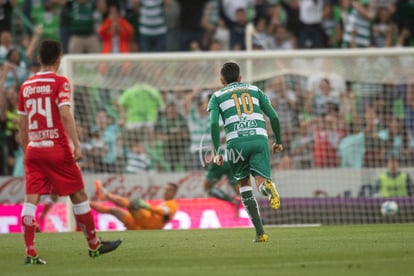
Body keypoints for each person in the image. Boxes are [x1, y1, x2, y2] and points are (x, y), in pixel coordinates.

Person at [17, 39, 121, 265]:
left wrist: (28, 150)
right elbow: (65, 113)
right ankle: (94, 245)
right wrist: (76, 143)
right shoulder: (60, 82)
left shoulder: (25, 86)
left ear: (39, 58)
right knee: (78, 196)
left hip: (33, 149)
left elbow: (22, 125)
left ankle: (30, 252)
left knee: (30, 200)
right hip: (56, 147)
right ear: (59, 58)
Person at [207, 62, 283, 242]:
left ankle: (260, 233)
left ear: (222, 80)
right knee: (261, 180)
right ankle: (267, 188)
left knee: (244, 185)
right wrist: (278, 141)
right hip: (259, 138)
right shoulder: (255, 90)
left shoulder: (217, 96)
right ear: (240, 78)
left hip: (236, 142)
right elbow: (274, 116)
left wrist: (217, 150)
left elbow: (212, 124)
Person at [91, 181, 179, 230]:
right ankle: (88, 204)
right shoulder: (164, 202)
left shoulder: (172, 204)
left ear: (174, 193)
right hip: (140, 225)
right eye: (165, 189)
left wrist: (147, 207)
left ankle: (106, 195)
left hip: (149, 223)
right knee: (114, 210)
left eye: (169, 190)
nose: (165, 192)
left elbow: (163, 212)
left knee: (133, 204)